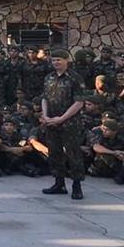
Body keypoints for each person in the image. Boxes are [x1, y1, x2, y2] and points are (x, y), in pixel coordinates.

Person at [40, 48, 87, 200]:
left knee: (73, 154)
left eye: (59, 60)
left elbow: (79, 102)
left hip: (70, 123)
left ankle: (76, 186)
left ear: (67, 60)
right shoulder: (49, 77)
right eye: (53, 60)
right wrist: (46, 116)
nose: (56, 63)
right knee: (54, 153)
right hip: (51, 122)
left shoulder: (75, 78)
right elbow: (45, 98)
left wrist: (61, 118)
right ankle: (59, 183)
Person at [90, 119, 124, 184]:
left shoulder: (120, 137)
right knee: (102, 154)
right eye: (104, 129)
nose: (104, 131)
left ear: (115, 132)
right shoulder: (99, 134)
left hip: (115, 164)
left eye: (107, 130)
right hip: (99, 166)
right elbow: (96, 147)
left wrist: (121, 153)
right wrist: (114, 153)